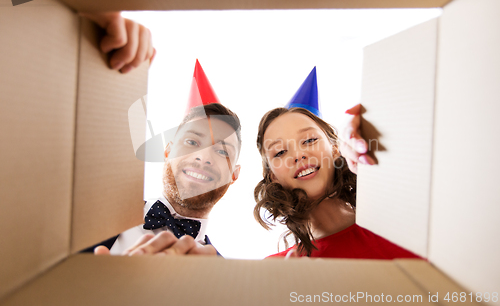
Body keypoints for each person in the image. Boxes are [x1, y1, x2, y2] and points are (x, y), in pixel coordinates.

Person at [253, 67, 420, 259]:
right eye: (280, 152)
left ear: (335, 150)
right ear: (273, 176)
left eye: (309, 140)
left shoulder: (403, 221)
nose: (298, 154)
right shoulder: (280, 268)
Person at [90, 61, 242, 256]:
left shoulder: (225, 279)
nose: (203, 157)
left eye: (222, 151)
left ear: (234, 175)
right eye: (192, 142)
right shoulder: (95, 218)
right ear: (167, 151)